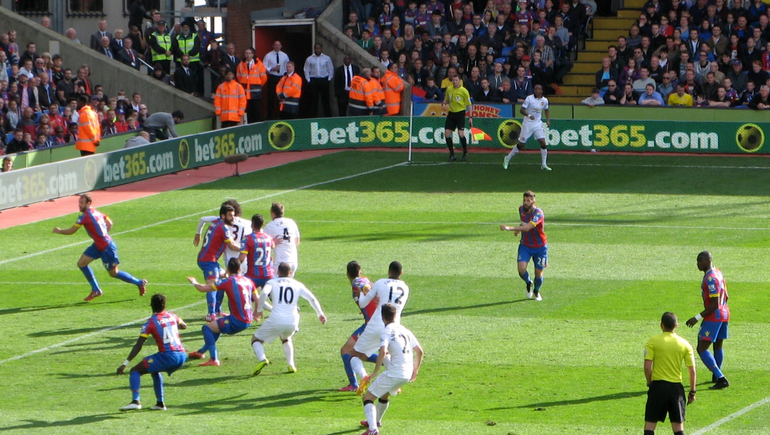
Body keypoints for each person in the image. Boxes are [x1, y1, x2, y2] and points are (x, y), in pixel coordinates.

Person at [52, 194, 147, 301]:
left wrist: (59, 231)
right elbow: (109, 223)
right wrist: (102, 235)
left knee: (113, 273)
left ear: (88, 203)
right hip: (98, 245)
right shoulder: (96, 212)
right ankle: (96, 289)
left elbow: (72, 231)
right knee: (81, 263)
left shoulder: (84, 216)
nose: (79, 205)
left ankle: (139, 282)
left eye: (82, 203)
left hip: (106, 247)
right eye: (79, 202)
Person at [251, 262, 327, 375]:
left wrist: (259, 310)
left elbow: (263, 294)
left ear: (278, 272)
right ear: (290, 273)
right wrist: (320, 313)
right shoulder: (297, 284)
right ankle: (291, 364)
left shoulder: (272, 282)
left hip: (276, 319)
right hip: (292, 320)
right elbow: (312, 299)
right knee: (286, 339)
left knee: (256, 340)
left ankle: (262, 359)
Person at [360, 303, 424, 435]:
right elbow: (420, 351)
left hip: (395, 372)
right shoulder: (406, 330)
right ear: (395, 315)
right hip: (406, 373)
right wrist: (415, 370)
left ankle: (372, 430)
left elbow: (383, 351)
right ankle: (375, 421)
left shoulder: (386, 331)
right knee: (384, 394)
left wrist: (375, 373)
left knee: (368, 397)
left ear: (382, 317)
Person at [117, 293, 187, 411]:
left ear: (151, 305)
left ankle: (135, 401)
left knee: (135, 371)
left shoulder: (150, 322)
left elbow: (139, 345)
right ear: (164, 305)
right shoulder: (172, 315)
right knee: (154, 369)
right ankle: (160, 403)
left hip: (168, 356)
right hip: (183, 355)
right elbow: (184, 326)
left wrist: (125, 363)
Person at [350, 261, 410, 396]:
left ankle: (364, 376)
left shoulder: (380, 282)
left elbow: (363, 303)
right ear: (401, 273)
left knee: (354, 356)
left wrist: (361, 293)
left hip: (376, 323)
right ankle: (394, 384)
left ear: (388, 271)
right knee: (386, 354)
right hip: (394, 327)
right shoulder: (405, 288)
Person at [187, 258, 255, 367]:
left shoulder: (228, 281)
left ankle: (214, 359)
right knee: (216, 327)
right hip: (248, 319)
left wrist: (194, 282)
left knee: (207, 328)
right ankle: (200, 352)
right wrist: (257, 312)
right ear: (240, 268)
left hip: (237, 320)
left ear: (227, 270)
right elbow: (257, 297)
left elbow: (203, 288)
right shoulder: (248, 281)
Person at [195, 198, 253, 313]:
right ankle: (211, 314)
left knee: (223, 279)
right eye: (230, 215)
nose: (233, 218)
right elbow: (231, 246)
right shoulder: (223, 227)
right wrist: (246, 249)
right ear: (223, 216)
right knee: (212, 286)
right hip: (208, 260)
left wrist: (198, 234)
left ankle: (217, 309)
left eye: (233, 215)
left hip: (208, 259)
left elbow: (202, 219)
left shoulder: (216, 221)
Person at [643, 312, 697, 435]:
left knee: (650, 426)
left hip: (657, 387)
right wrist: (692, 392)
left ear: (661, 325)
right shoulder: (685, 344)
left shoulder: (653, 341)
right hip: (676, 389)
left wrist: (650, 383)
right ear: (676, 325)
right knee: (678, 428)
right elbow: (692, 370)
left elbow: (647, 367)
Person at [686, 251, 730, 390]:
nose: (698, 264)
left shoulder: (711, 278)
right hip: (725, 313)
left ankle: (721, 378)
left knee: (702, 348)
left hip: (714, 316)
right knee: (718, 345)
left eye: (700, 261)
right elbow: (726, 296)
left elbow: (714, 303)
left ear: (706, 261)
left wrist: (696, 318)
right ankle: (717, 376)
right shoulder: (718, 272)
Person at [499, 191, 548, 301]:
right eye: (524, 200)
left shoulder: (538, 213)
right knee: (521, 269)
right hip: (525, 245)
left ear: (533, 201)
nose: (525, 203)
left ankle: (537, 291)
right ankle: (528, 282)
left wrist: (510, 228)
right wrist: (518, 231)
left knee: (538, 273)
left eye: (528, 201)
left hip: (540, 247)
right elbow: (523, 223)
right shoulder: (521, 210)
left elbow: (527, 227)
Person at [338, 261, 377, 392]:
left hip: (370, 324)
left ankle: (353, 384)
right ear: (360, 271)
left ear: (347, 274)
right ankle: (388, 362)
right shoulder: (365, 278)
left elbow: (364, 287)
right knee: (359, 352)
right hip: (373, 321)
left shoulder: (357, 282)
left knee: (346, 351)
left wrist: (368, 291)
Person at [503, 84, 552, 171]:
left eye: (539, 89)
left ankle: (544, 164)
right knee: (521, 144)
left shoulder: (544, 100)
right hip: (528, 124)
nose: (537, 90)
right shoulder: (529, 98)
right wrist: (529, 115)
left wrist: (548, 120)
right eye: (535, 89)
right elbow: (522, 110)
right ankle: (507, 158)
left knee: (543, 143)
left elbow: (546, 110)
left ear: (541, 91)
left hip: (537, 123)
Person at [237, 213, 275, 292]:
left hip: (253, 276)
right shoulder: (269, 238)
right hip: (268, 275)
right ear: (262, 224)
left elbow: (241, 258)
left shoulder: (248, 239)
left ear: (252, 224)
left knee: (242, 295)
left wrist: (233, 268)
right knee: (275, 299)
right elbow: (273, 246)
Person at [263, 202, 300, 277]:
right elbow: (297, 241)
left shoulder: (270, 226)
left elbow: (262, 243)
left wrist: (273, 243)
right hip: (293, 261)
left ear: (273, 213)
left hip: (281, 264)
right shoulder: (291, 222)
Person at [442, 75, 473, 162]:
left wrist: (470, 117)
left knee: (461, 134)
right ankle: (452, 154)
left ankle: (465, 151)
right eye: (453, 80)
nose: (454, 81)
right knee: (447, 133)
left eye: (456, 80)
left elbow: (469, 105)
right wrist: (444, 104)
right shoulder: (449, 89)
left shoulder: (464, 91)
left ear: (459, 81)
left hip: (460, 114)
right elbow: (447, 99)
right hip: (451, 113)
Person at [236, 48, 268, 124]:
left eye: (249, 53)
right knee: (247, 111)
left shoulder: (259, 65)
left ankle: (257, 126)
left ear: (253, 55)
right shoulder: (240, 65)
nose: (248, 55)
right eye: (246, 53)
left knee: (256, 111)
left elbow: (264, 78)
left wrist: (258, 85)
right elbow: (239, 77)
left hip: (255, 93)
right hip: (245, 93)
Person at [303, 43, 334, 118]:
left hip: (324, 80)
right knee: (313, 101)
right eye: (316, 48)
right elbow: (306, 70)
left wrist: (329, 79)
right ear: (314, 49)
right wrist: (309, 80)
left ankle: (328, 117)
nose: (317, 50)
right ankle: (313, 118)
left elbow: (331, 69)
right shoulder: (309, 59)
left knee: (326, 100)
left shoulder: (327, 58)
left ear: (321, 49)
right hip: (313, 81)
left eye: (319, 48)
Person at [264, 41, 290, 119]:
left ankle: (281, 115)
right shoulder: (268, 55)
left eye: (278, 45)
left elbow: (288, 65)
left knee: (281, 97)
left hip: (281, 77)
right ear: (273, 46)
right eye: (275, 45)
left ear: (281, 46)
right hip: (272, 76)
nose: (277, 46)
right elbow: (264, 66)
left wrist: (286, 75)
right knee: (271, 97)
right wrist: (272, 69)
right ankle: (270, 116)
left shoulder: (285, 56)